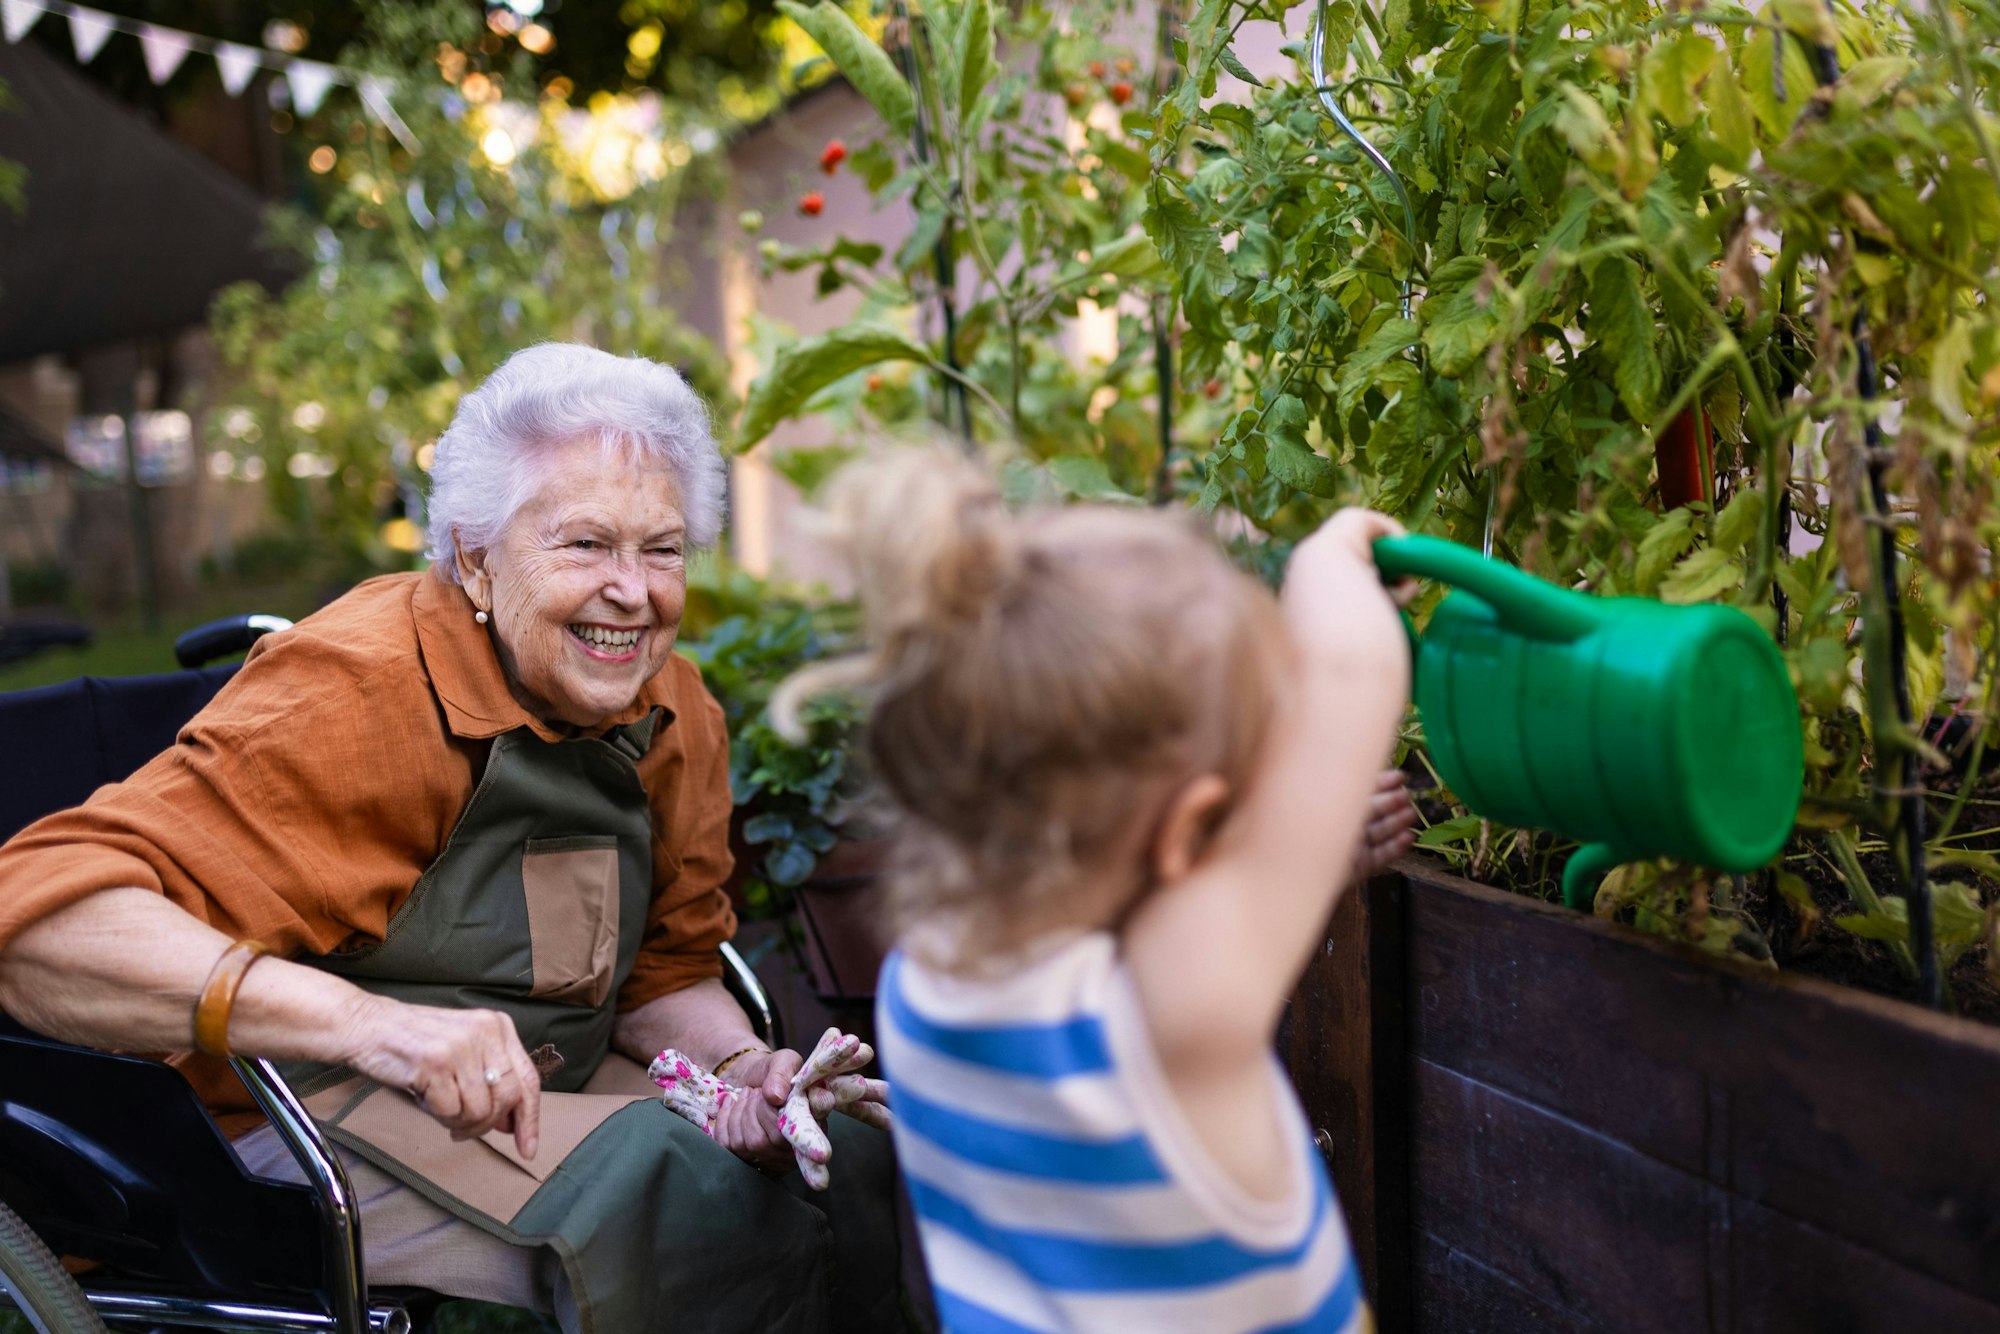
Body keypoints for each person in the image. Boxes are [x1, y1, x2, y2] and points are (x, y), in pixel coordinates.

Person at [0, 344, 903, 1334]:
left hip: (546, 1079)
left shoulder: (672, 706)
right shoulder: (358, 696)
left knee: (846, 1157)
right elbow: (36, 916)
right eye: (585, 545)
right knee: (682, 1196)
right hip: (296, 1115)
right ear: (474, 556)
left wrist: (740, 1072)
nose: (634, 592)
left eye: (662, 548)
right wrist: (378, 1027)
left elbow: (667, 970)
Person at [776, 449, 1415, 1333]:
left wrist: (1296, 868)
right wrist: (1330, 557)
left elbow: (1145, 915)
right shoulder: (1175, 1021)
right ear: (1188, 831)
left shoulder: (923, 984)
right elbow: (1351, 676)